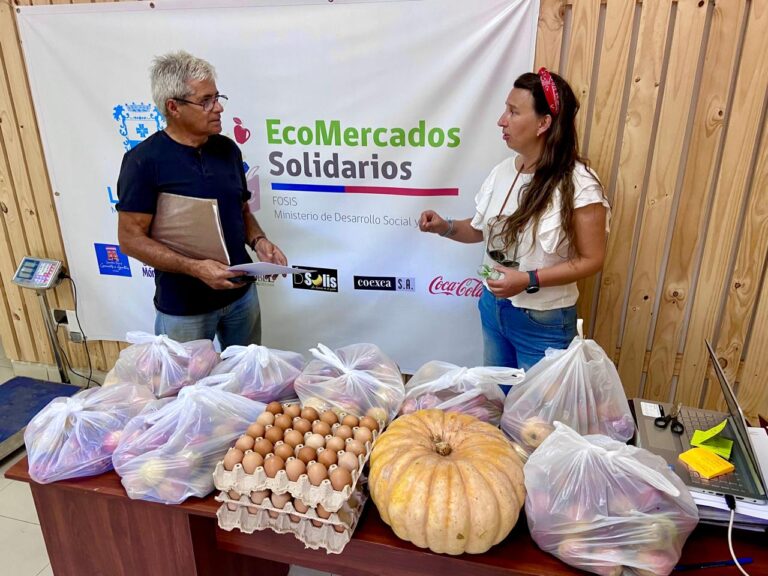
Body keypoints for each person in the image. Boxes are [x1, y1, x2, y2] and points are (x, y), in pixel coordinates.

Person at [419, 69, 609, 370]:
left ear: (543, 123)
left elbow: (592, 259)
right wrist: (446, 227)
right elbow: (479, 230)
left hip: (543, 322)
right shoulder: (502, 172)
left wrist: (529, 280)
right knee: (497, 402)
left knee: (535, 416)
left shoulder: (580, 184)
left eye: (513, 111)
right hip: (493, 309)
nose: (501, 120)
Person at [117, 51, 286, 349]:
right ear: (174, 107)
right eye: (206, 100)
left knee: (248, 385)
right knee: (184, 391)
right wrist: (195, 268)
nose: (218, 107)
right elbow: (131, 240)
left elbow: (241, 208)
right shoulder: (143, 162)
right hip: (184, 309)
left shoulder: (227, 150)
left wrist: (259, 241)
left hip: (241, 295)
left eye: (217, 97)